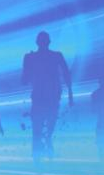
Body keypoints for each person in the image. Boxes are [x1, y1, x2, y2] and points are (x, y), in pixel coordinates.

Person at [21, 31, 72, 162]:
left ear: (37, 42)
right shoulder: (56, 56)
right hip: (51, 96)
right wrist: (70, 95)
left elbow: (24, 80)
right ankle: (46, 151)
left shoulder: (30, 57)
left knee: (38, 130)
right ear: (49, 42)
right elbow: (66, 74)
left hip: (41, 96)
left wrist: (30, 66)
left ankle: (38, 157)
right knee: (48, 127)